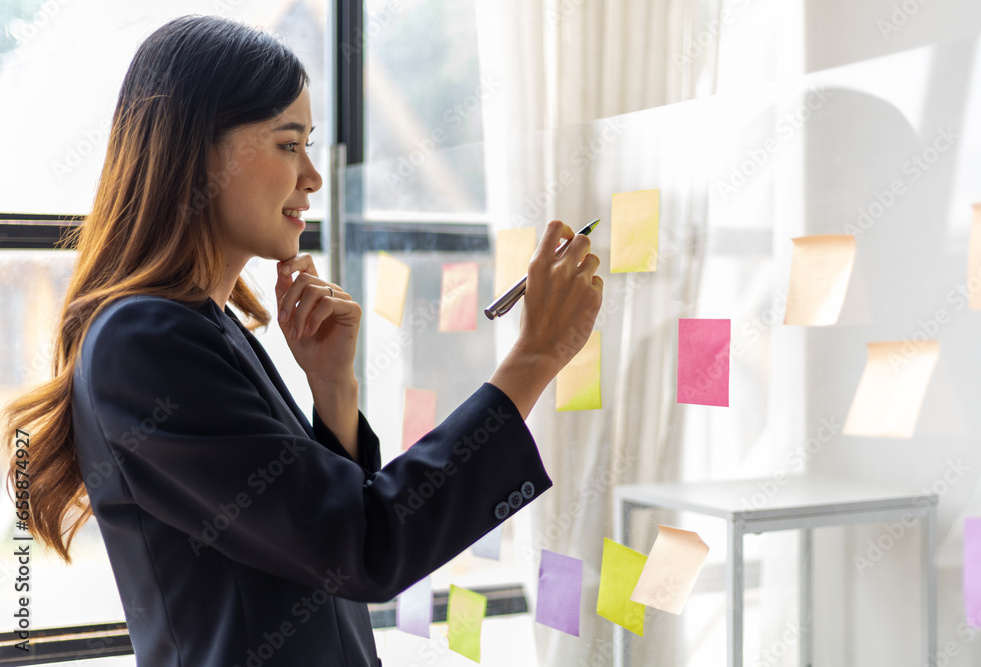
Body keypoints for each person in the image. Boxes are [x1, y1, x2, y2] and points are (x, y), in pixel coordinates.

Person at [0, 14, 602, 667]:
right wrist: (536, 356)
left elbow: (324, 543)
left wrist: (333, 388)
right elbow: (367, 546)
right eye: (289, 145)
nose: (313, 177)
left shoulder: (203, 325)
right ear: (197, 150)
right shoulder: (146, 339)